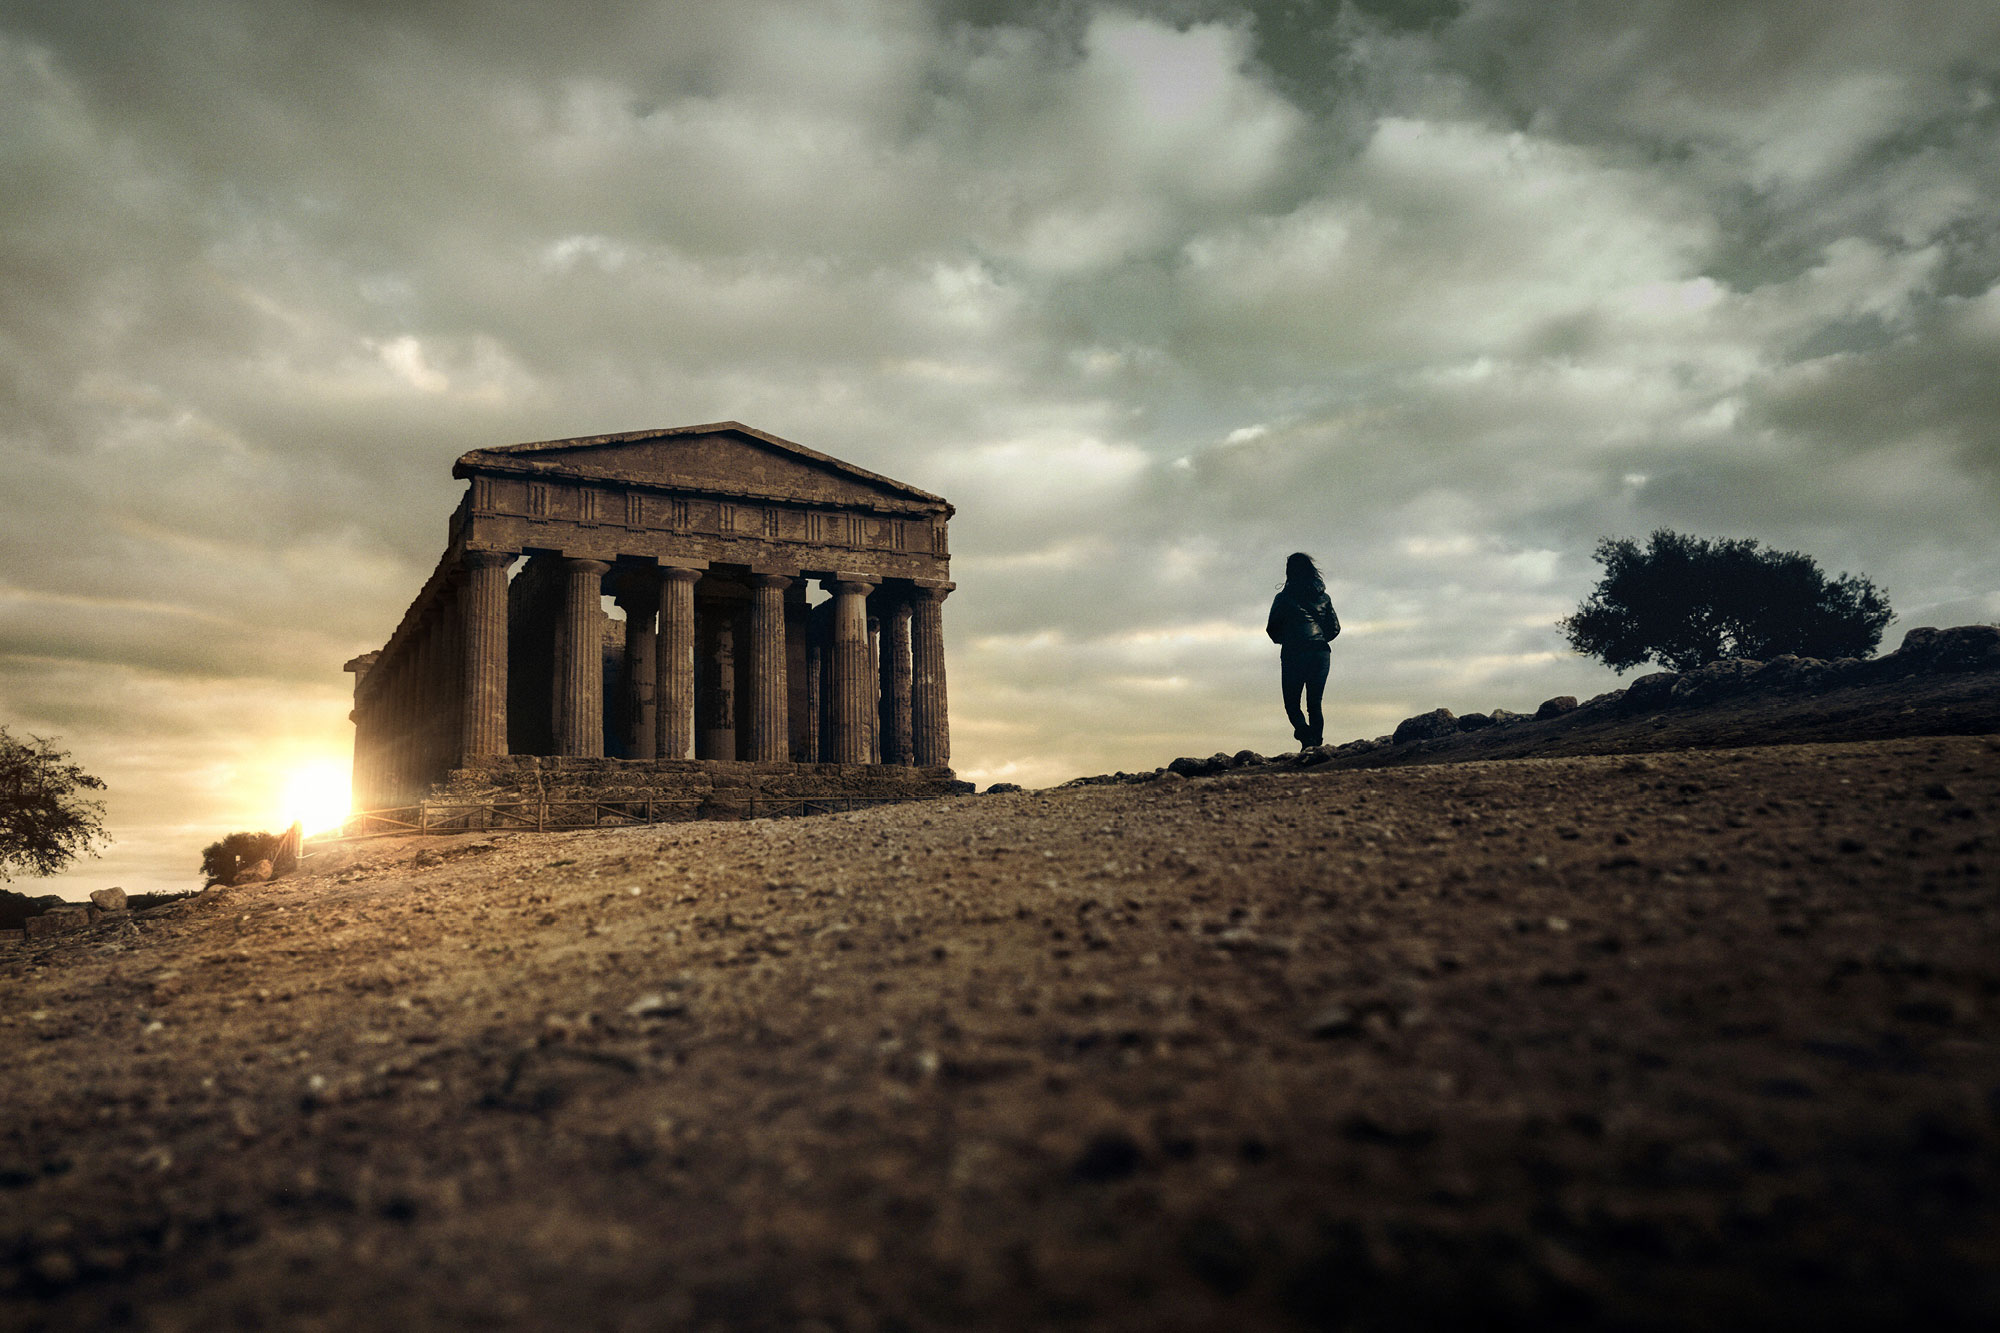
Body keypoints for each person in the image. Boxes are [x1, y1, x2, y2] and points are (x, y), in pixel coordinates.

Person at [1266, 552, 1340, 749]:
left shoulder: (1282, 598)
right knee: (1314, 704)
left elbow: (1272, 628)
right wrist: (1318, 639)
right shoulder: (1324, 597)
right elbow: (1334, 629)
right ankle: (1316, 746)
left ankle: (1308, 740)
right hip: (1320, 652)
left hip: (1294, 653)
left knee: (1292, 705)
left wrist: (1289, 639)